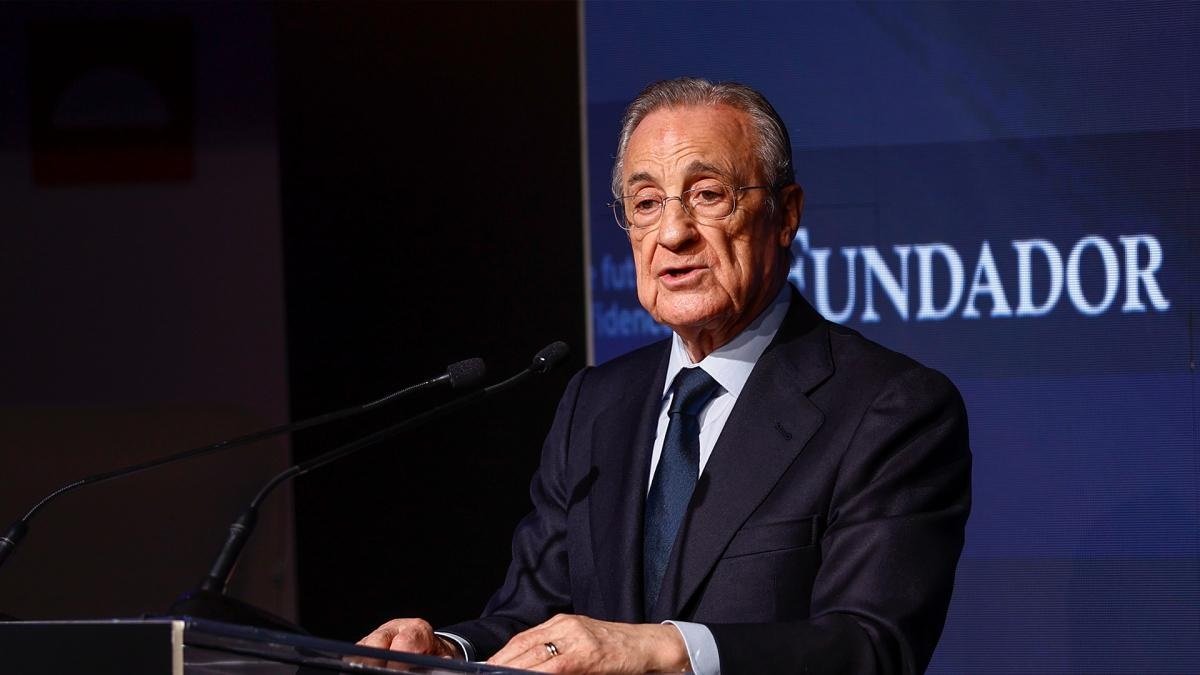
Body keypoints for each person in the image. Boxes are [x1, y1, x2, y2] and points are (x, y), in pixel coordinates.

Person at [359, 77, 971, 674]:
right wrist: (448, 653)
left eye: (707, 194)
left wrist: (665, 651)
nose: (673, 234)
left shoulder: (889, 408)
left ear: (785, 214)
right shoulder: (594, 403)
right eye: (646, 204)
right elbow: (533, 616)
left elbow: (871, 647)